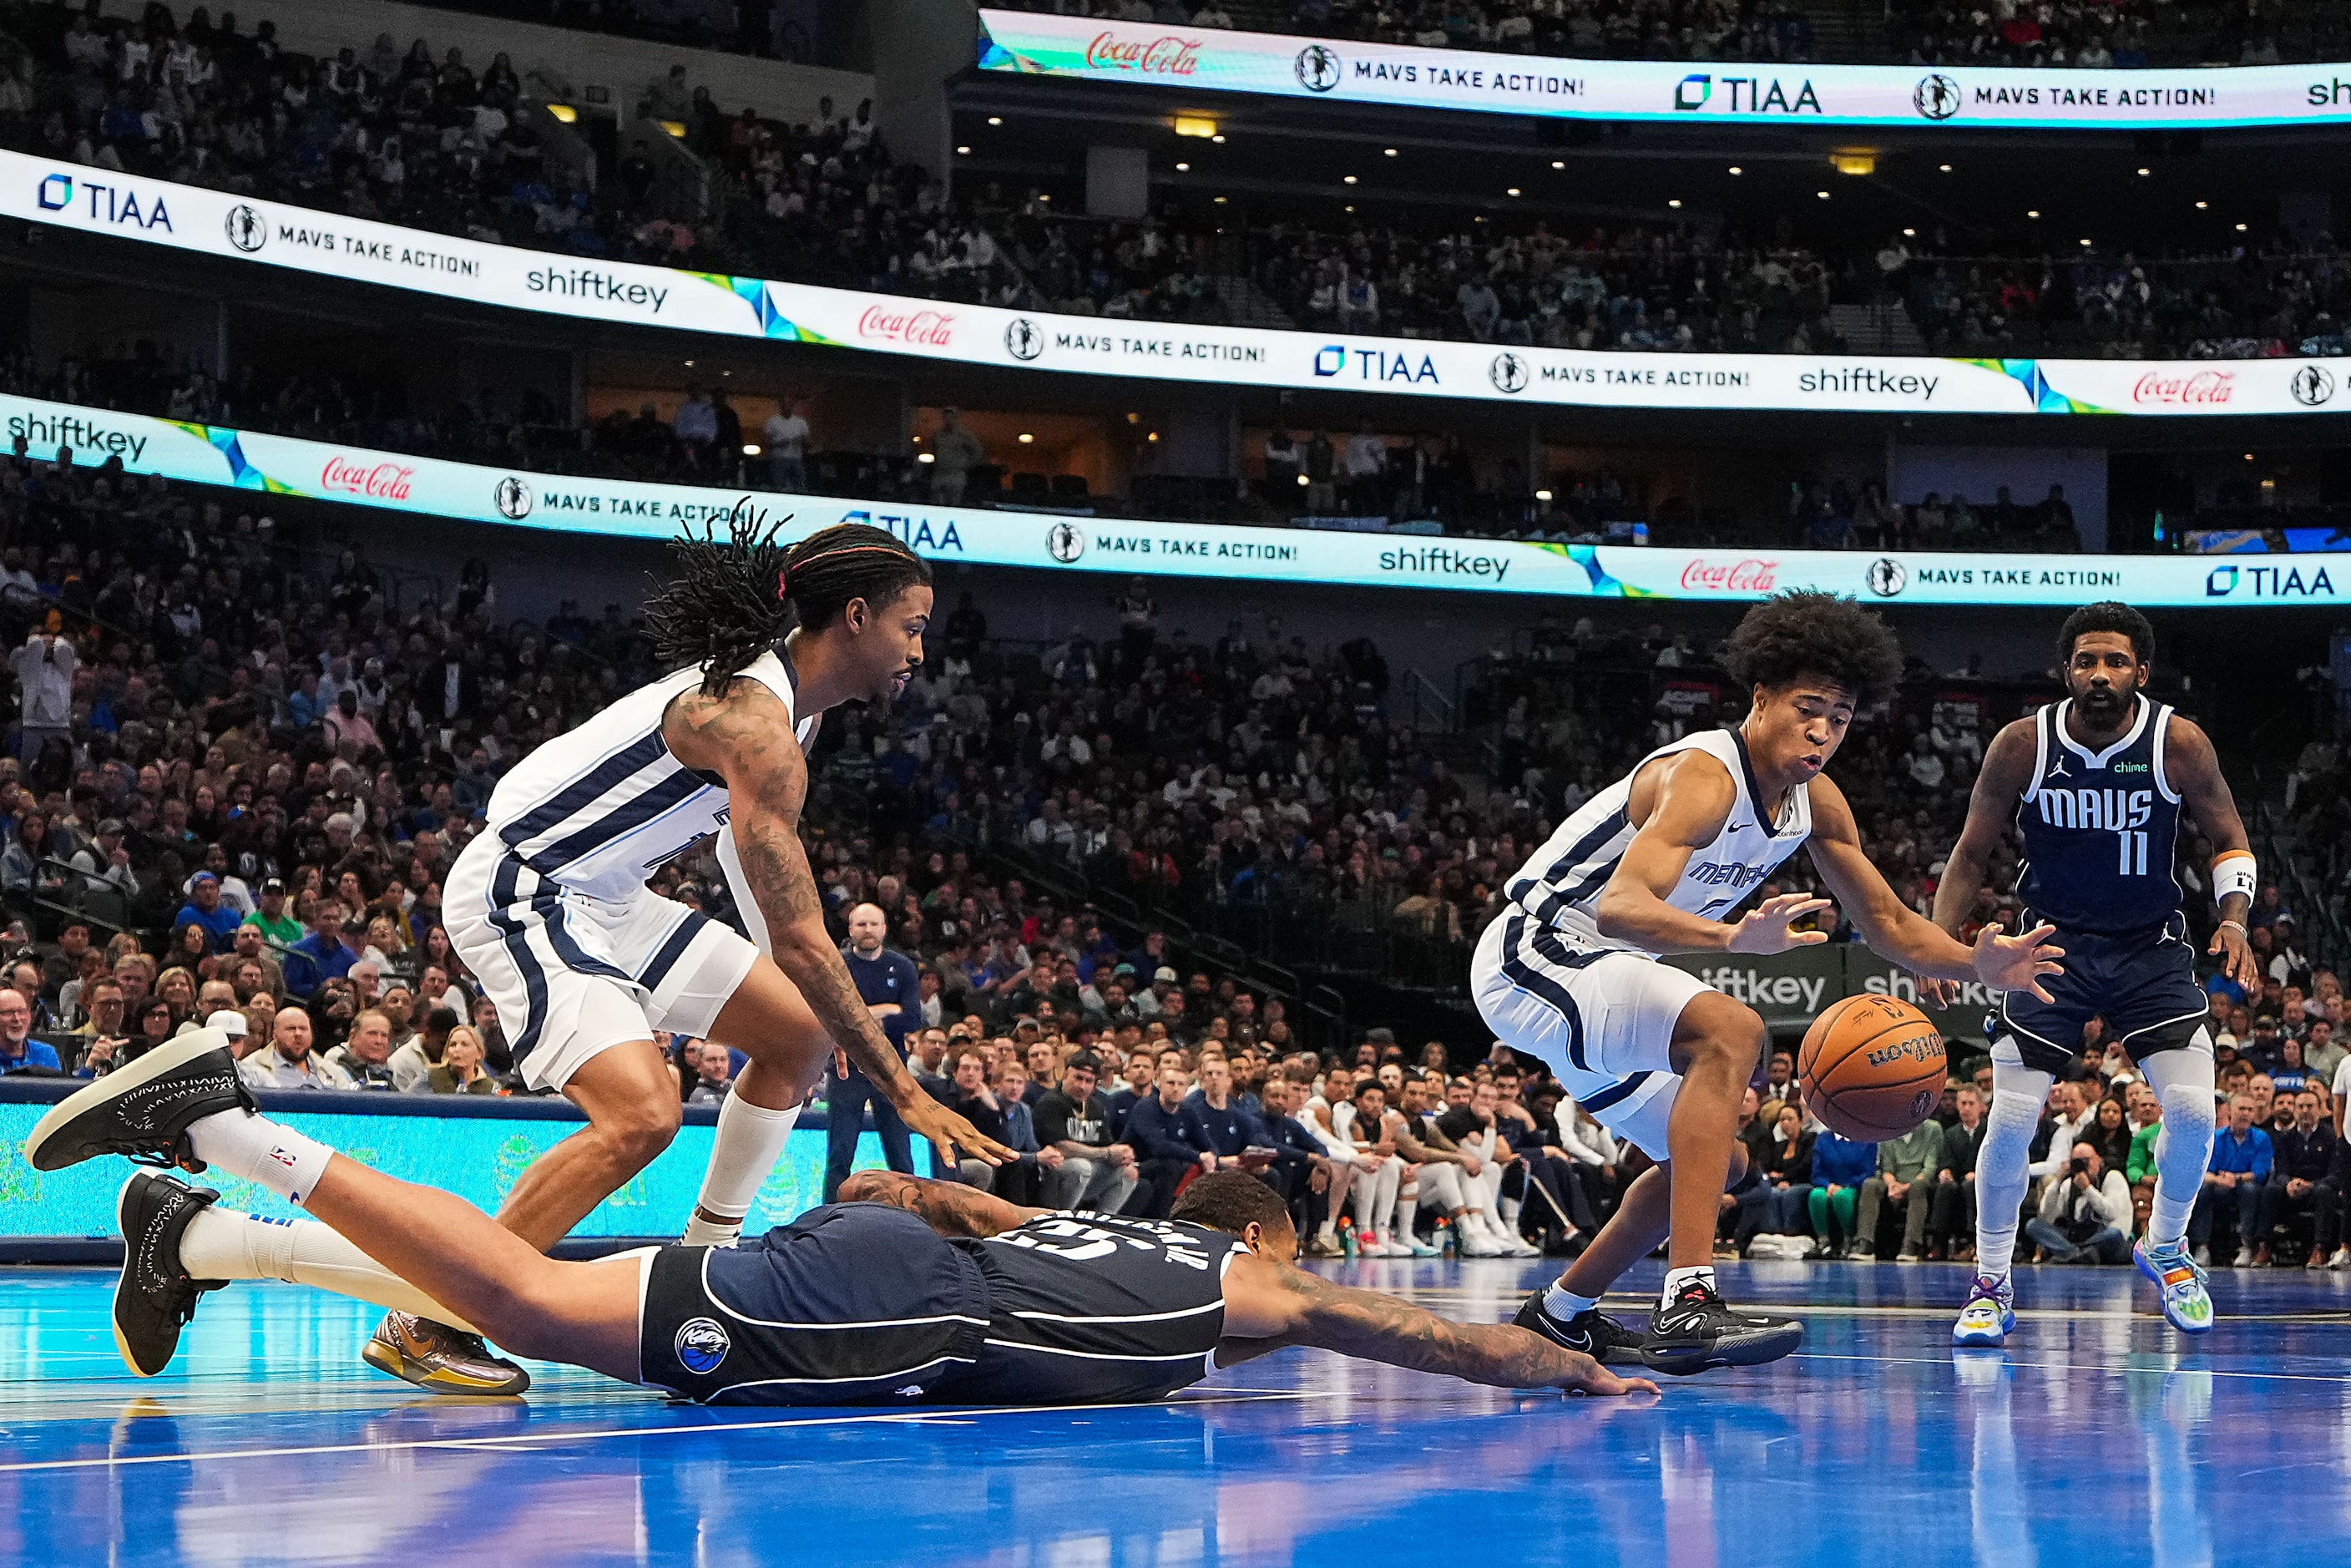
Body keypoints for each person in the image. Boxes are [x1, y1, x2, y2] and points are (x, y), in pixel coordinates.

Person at [26, 1039, 1654, 1403]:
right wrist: (1560, 1366)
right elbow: (1404, 1329)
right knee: (522, 1304)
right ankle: (229, 1126)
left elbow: (895, 1189)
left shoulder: (1121, 1230)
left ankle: (199, 1226)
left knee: (548, 1286)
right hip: (903, 1314)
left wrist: (911, 1202)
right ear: (1266, 1234)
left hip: (888, 1259)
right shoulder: (1251, 1284)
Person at [392, 511, 1011, 1393]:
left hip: (607, 896)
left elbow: (735, 858)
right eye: (912, 626)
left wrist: (791, 998)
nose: (920, 649)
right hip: (525, 886)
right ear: (858, 617)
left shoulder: (795, 712)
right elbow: (801, 934)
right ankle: (431, 1319)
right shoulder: (754, 723)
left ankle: (706, 1261)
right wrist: (902, 1091)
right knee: (642, 1116)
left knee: (798, 1037)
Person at [1486, 593, 2060, 1374]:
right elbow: (1620, 908)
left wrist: (1977, 965)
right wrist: (1732, 939)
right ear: (1761, 698)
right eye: (1808, 708)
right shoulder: (1704, 776)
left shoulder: (1813, 802)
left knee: (1714, 1165)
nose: (1823, 731)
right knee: (1733, 1029)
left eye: (1841, 718)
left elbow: (1888, 923)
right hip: (1537, 952)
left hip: (1603, 975)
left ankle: (1560, 1314)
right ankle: (1689, 1303)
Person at [1932, 602, 2256, 1345]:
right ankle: (1990, 1284)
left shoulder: (2178, 743)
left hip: (2149, 947)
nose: (2100, 674)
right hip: (2048, 947)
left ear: (2141, 671)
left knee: (2198, 1113)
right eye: (2086, 661)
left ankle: (2167, 1249)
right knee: (2012, 1120)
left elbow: (2230, 837)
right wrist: (1936, 941)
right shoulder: (2023, 746)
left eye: (2115, 661)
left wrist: (2233, 919)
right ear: (2066, 671)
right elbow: (1971, 849)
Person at [822, 903, 920, 1203]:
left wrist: (859, 1015)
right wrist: (885, 1011)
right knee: (840, 1154)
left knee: (901, 1154)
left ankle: (912, 1216)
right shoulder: (836, 965)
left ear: (884, 929)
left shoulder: (902, 966)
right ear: (850, 930)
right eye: (861, 925)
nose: (868, 930)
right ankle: (828, 1217)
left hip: (891, 1067)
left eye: (873, 924)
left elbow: (912, 1020)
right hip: (846, 1067)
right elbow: (831, 1016)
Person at [2192, 1094, 2274, 1265]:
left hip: (2246, 1186)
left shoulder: (2262, 1138)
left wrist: (2235, 1178)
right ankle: (2202, 1247)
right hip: (2219, 1186)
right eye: (2241, 1109)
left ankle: (2246, 1246)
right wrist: (2218, 1180)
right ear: (2230, 1111)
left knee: (2250, 1189)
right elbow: (2204, 1171)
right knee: (2203, 1189)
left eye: (2250, 1110)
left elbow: (2260, 1172)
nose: (2245, 1114)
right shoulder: (2215, 1137)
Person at [2024, 1142, 2132, 1265]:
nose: (2083, 1165)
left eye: (2087, 1160)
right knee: (2033, 1225)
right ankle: (2079, 1255)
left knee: (2113, 1234)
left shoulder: (2113, 1178)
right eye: (2077, 1161)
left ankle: (2072, 1255)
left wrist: (2087, 1189)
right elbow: (2046, 1215)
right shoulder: (2069, 1185)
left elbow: (2112, 1214)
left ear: (2098, 1160)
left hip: (2104, 1239)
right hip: (2077, 1240)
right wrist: (2057, 1181)